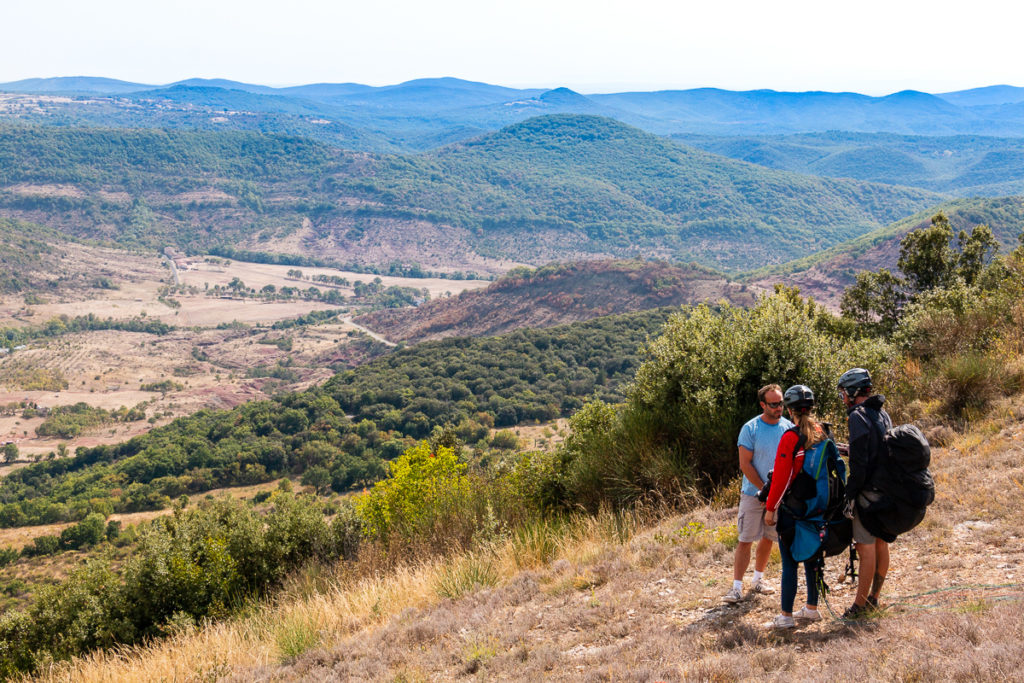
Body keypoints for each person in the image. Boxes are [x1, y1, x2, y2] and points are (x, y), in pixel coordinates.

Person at [763, 385, 828, 628]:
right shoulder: (822, 432)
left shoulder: (791, 437)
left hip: (794, 510)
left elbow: (781, 478)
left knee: (790, 562)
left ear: (791, 410)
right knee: (811, 556)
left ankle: (786, 617)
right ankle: (811, 608)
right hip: (817, 507)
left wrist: (771, 509)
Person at [722, 384, 793, 603]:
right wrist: (764, 489)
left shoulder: (788, 427)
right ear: (763, 405)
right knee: (745, 539)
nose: (779, 407)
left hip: (778, 496)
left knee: (769, 537)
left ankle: (758, 579)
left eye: (781, 403)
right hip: (754, 494)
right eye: (774, 404)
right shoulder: (750, 428)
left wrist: (775, 493)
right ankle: (736, 587)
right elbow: (745, 464)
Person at [837, 367, 892, 619]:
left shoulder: (856, 416)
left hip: (867, 491)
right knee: (881, 542)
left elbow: (859, 466)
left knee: (865, 547)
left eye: (843, 394)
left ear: (852, 391)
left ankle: (859, 607)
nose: (843, 399)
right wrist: (848, 449)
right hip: (886, 488)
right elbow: (875, 450)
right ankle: (874, 598)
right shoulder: (882, 413)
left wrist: (849, 494)